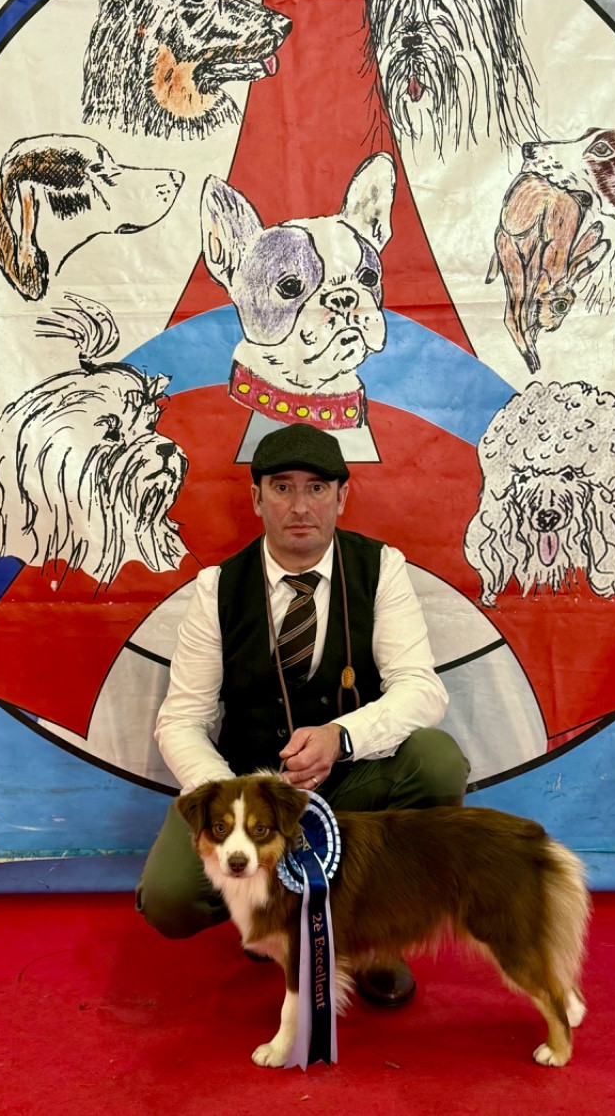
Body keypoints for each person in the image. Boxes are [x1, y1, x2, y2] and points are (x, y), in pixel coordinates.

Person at [136, 422, 470, 1006]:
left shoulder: (380, 568)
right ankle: (266, 915)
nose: (300, 506)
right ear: (256, 497)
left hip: (352, 783)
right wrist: (235, 800)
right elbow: (182, 719)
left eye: (317, 488)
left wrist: (342, 737)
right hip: (252, 795)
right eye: (282, 487)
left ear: (342, 497)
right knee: (169, 898)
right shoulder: (217, 588)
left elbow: (421, 689)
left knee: (437, 762)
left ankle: (375, 936)